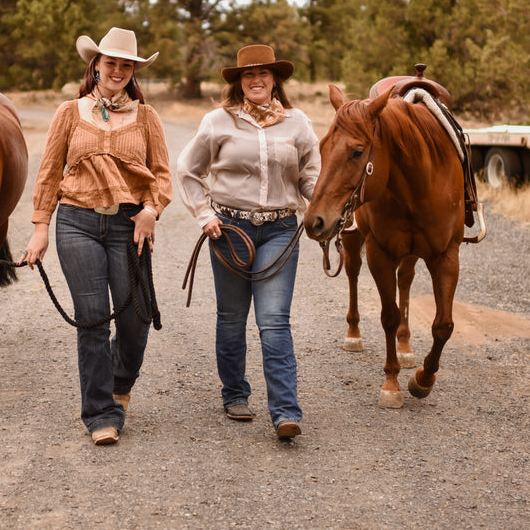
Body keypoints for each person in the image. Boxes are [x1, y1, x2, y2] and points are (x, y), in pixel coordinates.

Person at [23, 27, 173, 446]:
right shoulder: (69, 113)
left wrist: (151, 210)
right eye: (111, 63)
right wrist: (40, 229)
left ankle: (120, 382)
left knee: (135, 320)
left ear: (133, 71)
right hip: (77, 222)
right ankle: (100, 413)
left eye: (126, 65)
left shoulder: (147, 117)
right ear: (96, 65)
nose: (118, 70)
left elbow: (162, 175)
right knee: (91, 319)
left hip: (128, 225)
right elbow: (49, 172)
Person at [175, 44, 320, 441]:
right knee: (231, 317)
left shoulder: (298, 123)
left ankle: (285, 412)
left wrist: (322, 203)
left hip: (280, 229)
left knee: (274, 320)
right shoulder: (218, 122)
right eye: (248, 74)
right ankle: (235, 393)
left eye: (263, 73)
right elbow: (187, 170)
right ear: (239, 82)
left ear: (275, 79)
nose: (256, 80)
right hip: (229, 229)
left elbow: (309, 174)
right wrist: (205, 215)